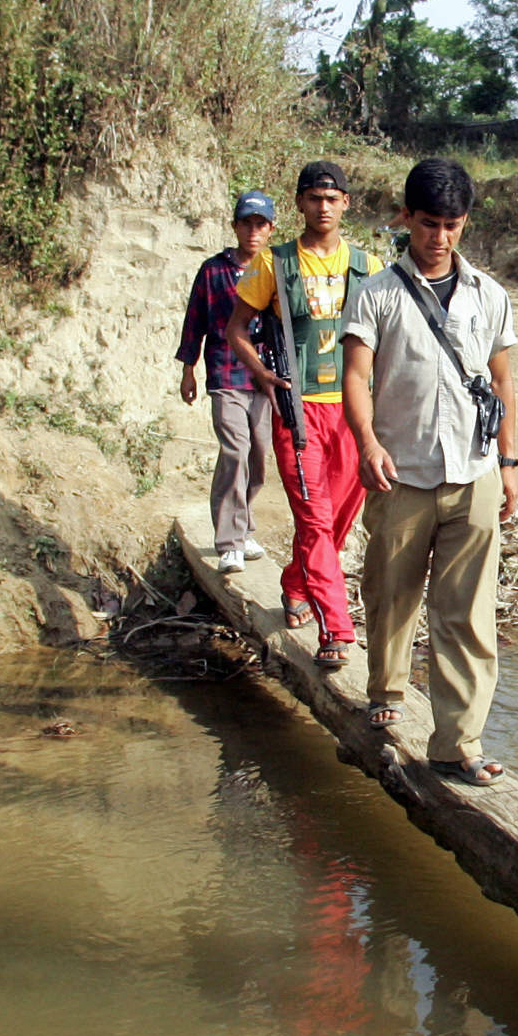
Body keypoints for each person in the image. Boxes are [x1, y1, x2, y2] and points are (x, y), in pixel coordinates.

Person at [339, 157, 518, 784]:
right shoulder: (376, 294)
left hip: (473, 472)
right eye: (427, 224)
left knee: (467, 612)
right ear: (406, 219)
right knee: (391, 596)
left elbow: (502, 382)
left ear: (464, 223)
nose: (438, 237)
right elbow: (357, 376)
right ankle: (387, 695)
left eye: (450, 225)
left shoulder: (489, 295)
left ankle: (457, 742)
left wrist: (510, 462)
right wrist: (366, 442)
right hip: (401, 473)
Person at [225, 161, 382, 668]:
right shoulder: (274, 263)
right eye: (314, 198)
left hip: (357, 415)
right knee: (315, 521)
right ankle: (336, 629)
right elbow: (236, 331)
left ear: (346, 204)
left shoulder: (370, 266)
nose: (323, 207)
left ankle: (296, 581)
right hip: (299, 413)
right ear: (299, 204)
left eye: (332, 199)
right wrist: (264, 376)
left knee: (336, 520)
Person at [177, 189, 278, 573]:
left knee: (258, 455)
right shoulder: (213, 270)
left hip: (264, 377)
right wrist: (189, 368)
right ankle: (229, 540)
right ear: (235, 226)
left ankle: (244, 524)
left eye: (260, 224)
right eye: (246, 224)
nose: (253, 231)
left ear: (270, 229)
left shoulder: (274, 268)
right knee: (235, 450)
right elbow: (194, 321)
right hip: (225, 371)